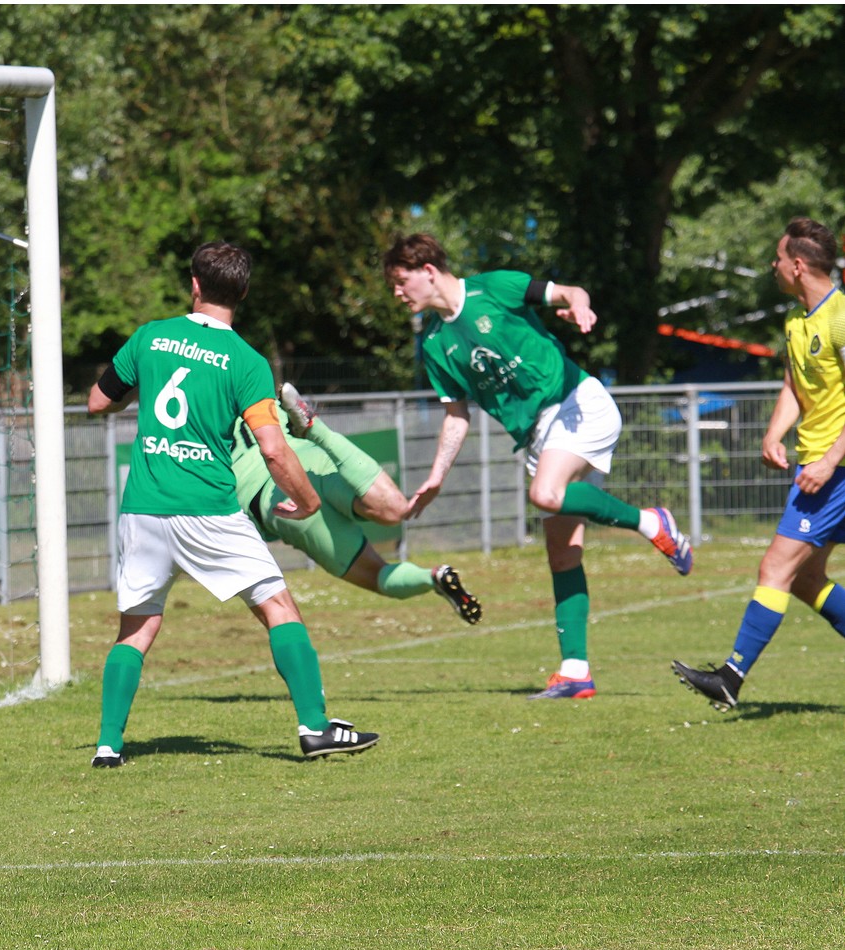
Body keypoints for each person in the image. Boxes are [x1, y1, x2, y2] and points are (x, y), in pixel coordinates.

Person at [87, 241, 378, 766]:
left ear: (195, 284)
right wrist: (309, 501)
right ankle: (315, 728)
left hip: (144, 507)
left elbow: (97, 402)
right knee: (277, 606)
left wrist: (138, 386)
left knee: (138, 625)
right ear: (242, 292)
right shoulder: (246, 361)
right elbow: (273, 448)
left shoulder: (149, 337)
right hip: (208, 508)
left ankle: (108, 746)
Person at [382, 232, 692, 700]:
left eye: (401, 281)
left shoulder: (493, 287)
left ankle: (651, 522)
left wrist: (580, 307)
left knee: (545, 495)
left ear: (427, 271)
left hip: (575, 403)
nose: (397, 292)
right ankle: (575, 672)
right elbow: (457, 416)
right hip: (537, 436)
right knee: (562, 556)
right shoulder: (434, 344)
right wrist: (436, 477)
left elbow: (569, 292)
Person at [673, 218, 845, 710]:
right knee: (806, 579)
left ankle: (730, 677)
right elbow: (793, 385)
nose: (773, 265)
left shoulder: (839, 318)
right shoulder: (797, 321)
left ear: (798, 265)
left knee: (776, 566)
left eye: (778, 257)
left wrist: (829, 462)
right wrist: (773, 434)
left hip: (833, 471)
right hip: (820, 466)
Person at [231, 383, 482, 625]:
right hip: (310, 457)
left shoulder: (210, 427)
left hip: (273, 498)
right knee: (395, 511)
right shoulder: (254, 391)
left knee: (377, 575)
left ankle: (432, 577)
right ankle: (317, 430)